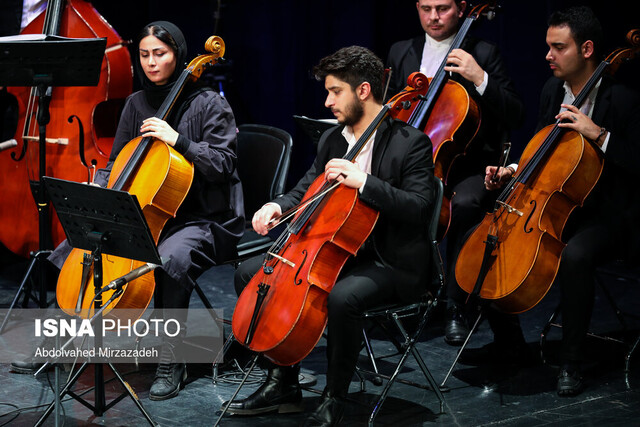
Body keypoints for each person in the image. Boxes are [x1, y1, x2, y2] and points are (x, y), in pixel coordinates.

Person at [10, 21, 245, 402]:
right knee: (80, 241)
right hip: (149, 209)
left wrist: (179, 141)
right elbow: (117, 160)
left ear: (178, 55)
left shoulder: (209, 103)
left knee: (171, 259)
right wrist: (99, 188)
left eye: (161, 53)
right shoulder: (137, 103)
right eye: (145, 55)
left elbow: (224, 164)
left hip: (203, 217)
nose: (152, 63)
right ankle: (58, 341)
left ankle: (172, 357)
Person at [224, 46, 435, 425]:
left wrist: (366, 183)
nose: (328, 100)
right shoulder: (333, 140)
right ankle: (282, 380)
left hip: (390, 260)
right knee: (249, 274)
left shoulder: (411, 142)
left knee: (343, 298)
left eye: (336, 91)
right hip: (334, 249)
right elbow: (307, 188)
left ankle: (335, 396)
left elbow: (419, 208)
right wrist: (277, 206)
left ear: (364, 91)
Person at [483, 6, 640, 396]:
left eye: (558, 47)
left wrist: (598, 134)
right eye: (548, 47)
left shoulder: (623, 100)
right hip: (560, 202)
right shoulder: (552, 91)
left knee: (575, 256)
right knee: (489, 236)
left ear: (587, 49)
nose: (548, 56)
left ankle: (571, 361)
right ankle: (511, 344)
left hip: (613, 214)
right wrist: (515, 169)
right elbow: (544, 146)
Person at [386, 0, 524, 345]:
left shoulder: (483, 52)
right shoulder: (402, 51)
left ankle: (455, 305)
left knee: (463, 205)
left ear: (462, 9)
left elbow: (516, 115)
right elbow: (389, 110)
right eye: (425, 8)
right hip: (419, 161)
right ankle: (393, 295)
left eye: (443, 8)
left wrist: (479, 77)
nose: (433, 17)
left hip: (470, 164)